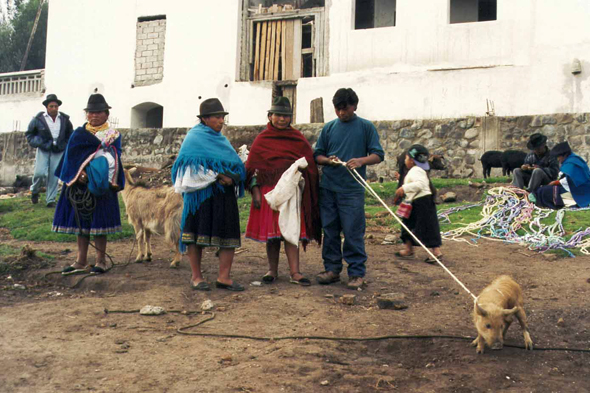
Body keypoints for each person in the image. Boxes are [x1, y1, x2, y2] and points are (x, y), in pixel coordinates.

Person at [245, 96, 321, 286]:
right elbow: (252, 167)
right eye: (278, 115)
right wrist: (255, 191)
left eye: (286, 116)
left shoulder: (297, 139)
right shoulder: (262, 139)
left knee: (291, 230)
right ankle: (272, 270)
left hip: (292, 192)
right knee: (273, 234)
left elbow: (309, 164)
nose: (282, 119)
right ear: (270, 116)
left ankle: (295, 272)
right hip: (269, 192)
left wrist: (302, 182)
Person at [172, 98, 246, 291]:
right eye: (217, 117)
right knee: (195, 234)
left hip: (224, 195)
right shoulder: (194, 138)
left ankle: (224, 277)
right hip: (200, 196)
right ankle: (196, 277)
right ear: (205, 119)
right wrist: (219, 175)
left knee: (228, 233)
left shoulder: (222, 140)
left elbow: (234, 163)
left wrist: (233, 177)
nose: (221, 121)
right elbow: (188, 168)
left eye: (222, 117)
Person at [314, 88, 384, 289]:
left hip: (352, 190)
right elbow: (317, 155)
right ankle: (332, 269)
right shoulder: (328, 128)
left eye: (345, 109)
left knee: (353, 231)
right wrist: (328, 160)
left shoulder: (365, 127)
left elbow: (378, 154)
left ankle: (356, 273)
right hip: (328, 188)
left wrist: (361, 160)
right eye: (338, 109)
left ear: (355, 106)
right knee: (330, 230)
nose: (341, 113)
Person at [52, 94, 125, 275]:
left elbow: (114, 157)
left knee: (100, 223)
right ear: (86, 114)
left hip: (102, 184)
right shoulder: (78, 134)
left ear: (106, 114)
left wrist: (98, 174)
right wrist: (81, 173)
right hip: (80, 185)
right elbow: (71, 158)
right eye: (91, 112)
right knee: (81, 221)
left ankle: (101, 260)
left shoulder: (112, 136)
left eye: (99, 112)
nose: (94, 116)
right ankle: (81, 260)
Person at [393, 145, 442, 263]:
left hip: (422, 202)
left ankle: (436, 252)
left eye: (405, 158)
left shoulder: (416, 170)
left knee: (427, 227)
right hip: (414, 202)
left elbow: (420, 184)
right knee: (407, 225)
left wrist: (404, 188)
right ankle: (408, 249)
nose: (404, 161)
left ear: (411, 160)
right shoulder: (415, 171)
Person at [25, 94, 74, 207]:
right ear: (47, 107)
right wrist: (38, 143)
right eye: (51, 106)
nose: (54, 108)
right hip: (44, 149)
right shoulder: (38, 120)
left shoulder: (64, 120)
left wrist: (66, 145)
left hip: (58, 150)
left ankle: (50, 200)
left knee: (54, 175)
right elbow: (29, 134)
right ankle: (35, 190)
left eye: (56, 106)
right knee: (39, 173)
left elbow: (70, 134)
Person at [531, 141, 590, 209]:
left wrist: (557, 182)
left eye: (558, 157)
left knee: (544, 191)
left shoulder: (571, 164)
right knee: (544, 190)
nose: (558, 159)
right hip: (581, 191)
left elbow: (572, 180)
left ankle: (567, 203)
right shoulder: (575, 159)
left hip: (580, 194)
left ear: (564, 155)